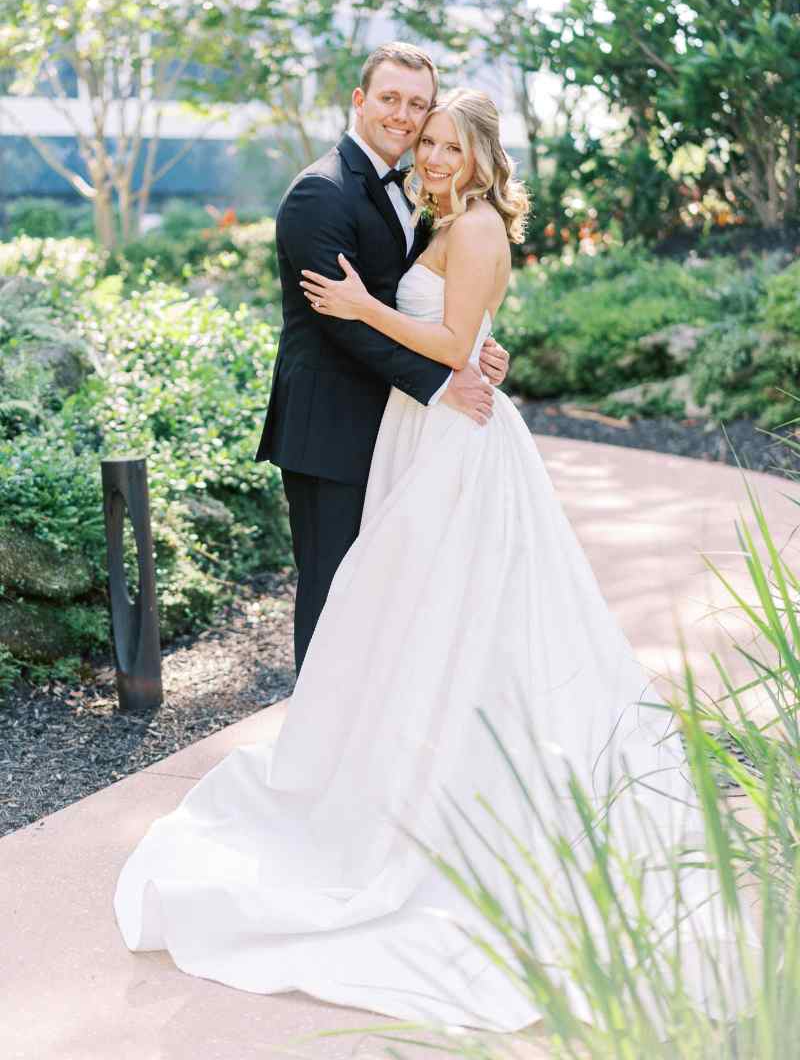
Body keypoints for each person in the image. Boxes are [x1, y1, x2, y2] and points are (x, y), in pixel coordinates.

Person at [114, 88, 755, 1033]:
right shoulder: (400, 210)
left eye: (451, 140)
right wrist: (468, 351)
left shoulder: (476, 224)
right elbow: (461, 334)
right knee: (400, 604)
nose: (435, 152)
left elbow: (454, 338)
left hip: (455, 438)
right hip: (419, 429)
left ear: (483, 155)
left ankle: (423, 772)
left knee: (433, 601)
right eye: (429, 137)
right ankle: (370, 758)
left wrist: (386, 316)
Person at [253, 42, 509, 674]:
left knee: (385, 595)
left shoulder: (422, 196)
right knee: (333, 591)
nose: (403, 115)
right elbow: (340, 322)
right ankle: (317, 729)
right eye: (390, 98)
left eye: (417, 104)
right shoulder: (320, 193)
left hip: (397, 426)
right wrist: (443, 378)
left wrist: (477, 345)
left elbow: (424, 299)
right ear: (360, 101)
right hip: (332, 429)